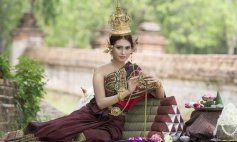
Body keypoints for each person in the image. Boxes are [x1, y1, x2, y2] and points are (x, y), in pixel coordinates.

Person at [3, 1, 165, 142]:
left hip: (113, 123)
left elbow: (159, 96)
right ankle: (21, 135)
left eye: (127, 48)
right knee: (58, 130)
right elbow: (101, 103)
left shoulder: (135, 71)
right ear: (110, 48)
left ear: (132, 49)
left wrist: (158, 85)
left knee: (97, 138)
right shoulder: (100, 72)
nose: (123, 52)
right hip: (90, 114)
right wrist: (127, 92)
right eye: (119, 47)